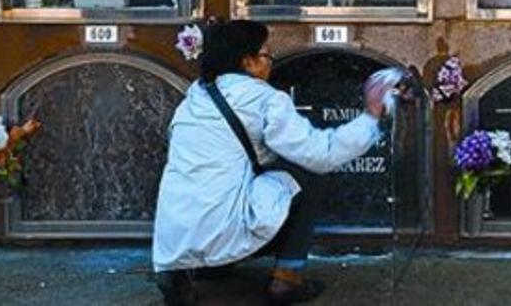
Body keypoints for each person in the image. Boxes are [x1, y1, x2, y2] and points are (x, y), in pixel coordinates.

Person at [152, 19, 385, 305]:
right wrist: (371, 116)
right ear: (247, 62)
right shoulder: (264, 99)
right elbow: (321, 154)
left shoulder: (194, 99)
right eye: (266, 55)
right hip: (225, 228)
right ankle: (287, 278)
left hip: (174, 242)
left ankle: (194, 271)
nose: (271, 62)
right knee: (308, 173)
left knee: (224, 183)